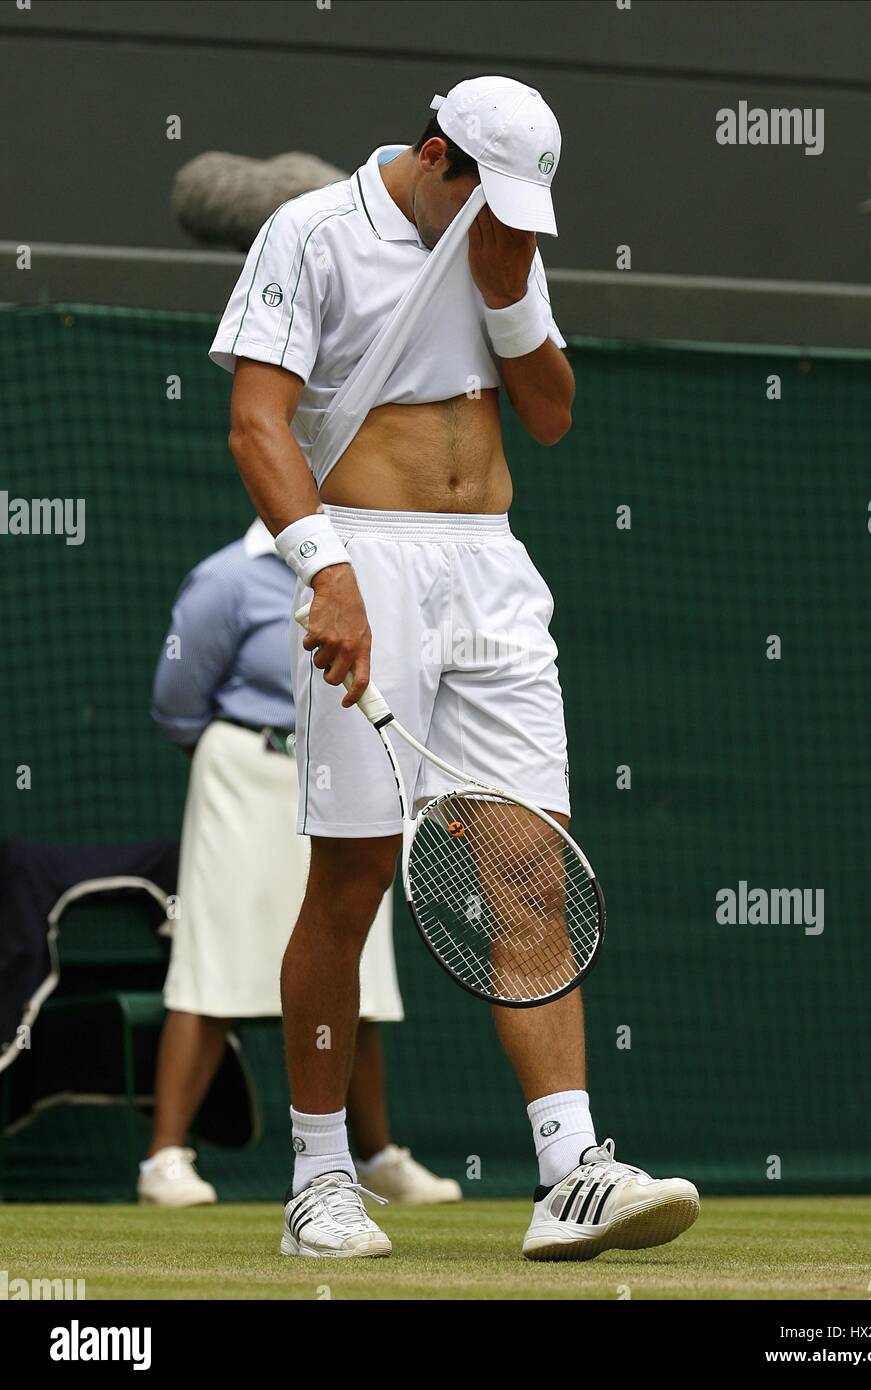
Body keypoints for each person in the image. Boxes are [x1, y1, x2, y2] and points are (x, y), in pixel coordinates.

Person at [210, 75, 699, 1260]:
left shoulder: (503, 243)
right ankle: (321, 1178)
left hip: (490, 571)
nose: (512, 232)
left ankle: (569, 1169)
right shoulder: (312, 233)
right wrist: (326, 574)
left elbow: (549, 416)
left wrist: (509, 295)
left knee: (531, 868)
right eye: (494, 208)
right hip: (364, 559)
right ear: (436, 157)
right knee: (354, 881)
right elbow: (256, 423)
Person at [140, 517, 461, 1208]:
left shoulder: (378, 576)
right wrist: (263, 749)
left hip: (344, 770)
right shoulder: (225, 579)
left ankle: (374, 1158)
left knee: (357, 965)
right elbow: (176, 704)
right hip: (243, 774)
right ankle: (164, 1160)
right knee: (210, 962)